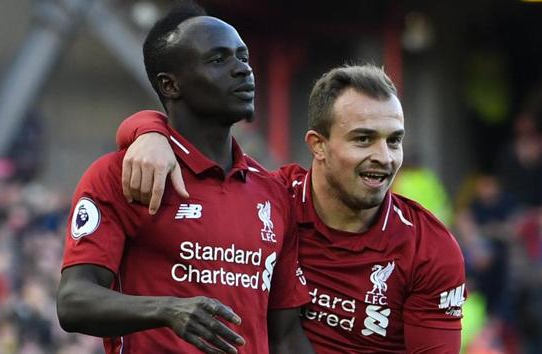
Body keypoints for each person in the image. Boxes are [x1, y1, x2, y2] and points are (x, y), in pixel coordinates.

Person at [117, 64, 467, 353]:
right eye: (363, 139)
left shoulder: (429, 249)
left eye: (394, 140)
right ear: (318, 145)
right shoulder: (267, 202)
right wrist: (149, 132)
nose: (385, 157)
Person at [56, 3, 312, 354]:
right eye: (219, 60)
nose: (243, 70)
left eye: (243, 57)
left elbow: (285, 336)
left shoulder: (272, 193)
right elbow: (73, 301)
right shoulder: (121, 175)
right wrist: (166, 309)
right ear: (170, 85)